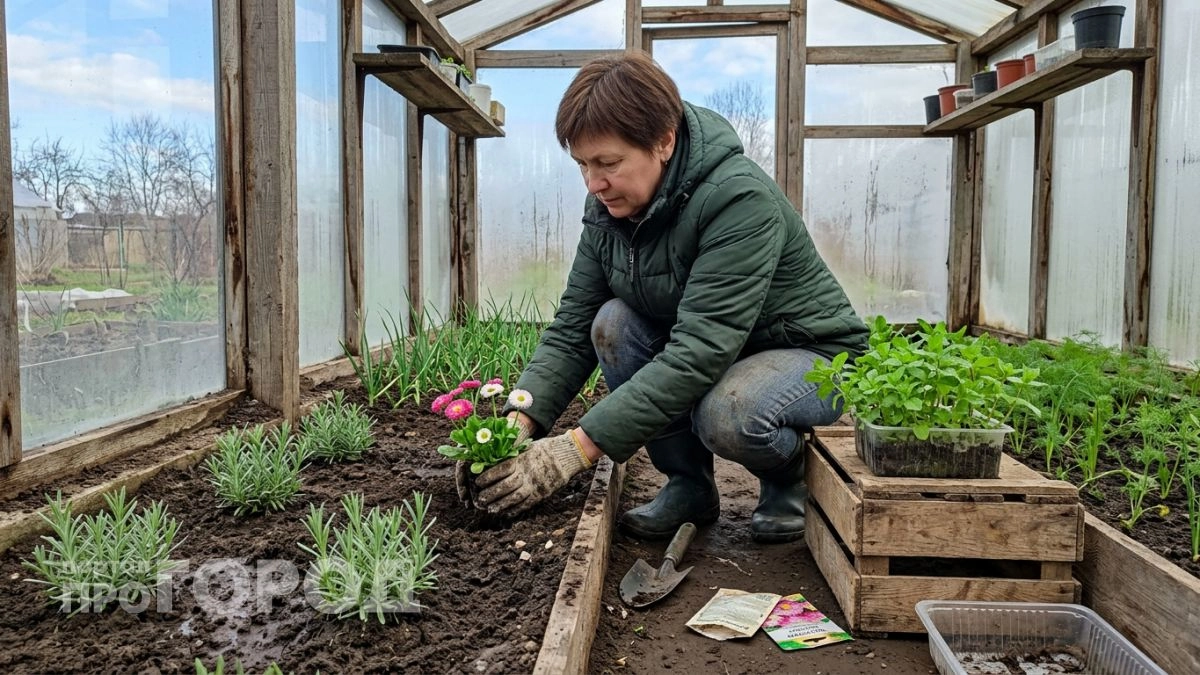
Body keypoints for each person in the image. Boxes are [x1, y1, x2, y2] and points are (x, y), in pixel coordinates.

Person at [459, 52, 868, 544]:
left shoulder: (738, 199)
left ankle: (790, 475)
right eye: (582, 164)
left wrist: (573, 450)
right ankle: (689, 485)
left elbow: (699, 351)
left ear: (664, 142)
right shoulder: (608, 208)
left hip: (808, 355)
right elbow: (573, 329)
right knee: (611, 323)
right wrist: (515, 426)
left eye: (609, 163)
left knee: (729, 412)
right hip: (719, 350)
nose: (593, 183)